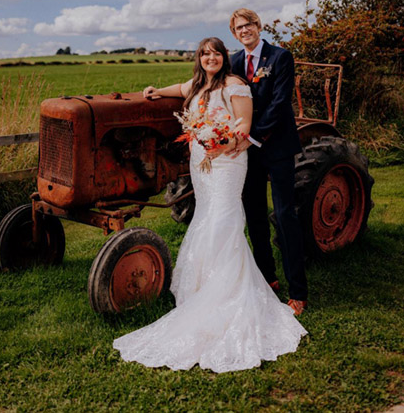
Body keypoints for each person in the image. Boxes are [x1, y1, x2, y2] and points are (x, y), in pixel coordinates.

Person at [113, 37, 307, 373]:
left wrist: (225, 142)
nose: (210, 58)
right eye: (204, 54)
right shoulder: (198, 84)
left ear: (223, 58)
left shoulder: (235, 84)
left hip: (228, 157)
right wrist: (155, 92)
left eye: (215, 53)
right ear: (199, 59)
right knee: (205, 216)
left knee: (224, 218)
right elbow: (179, 87)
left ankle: (228, 289)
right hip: (201, 160)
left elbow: (244, 124)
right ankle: (202, 285)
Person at [228, 8, 308, 315]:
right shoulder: (234, 61)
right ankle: (268, 277)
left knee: (285, 215)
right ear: (234, 33)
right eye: (239, 27)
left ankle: (298, 290)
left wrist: (252, 135)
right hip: (248, 150)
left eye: (249, 24)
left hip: (277, 145)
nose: (245, 30)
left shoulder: (280, 57)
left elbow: (278, 102)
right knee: (255, 214)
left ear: (258, 26)